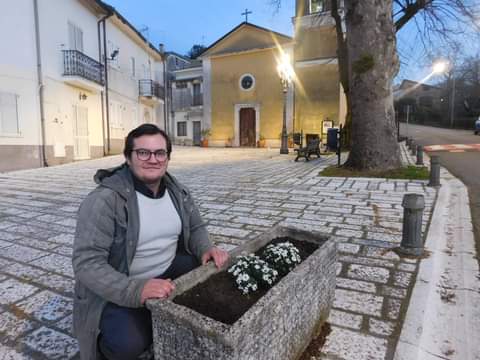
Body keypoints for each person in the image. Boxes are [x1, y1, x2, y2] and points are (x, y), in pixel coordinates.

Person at [72, 123, 229, 360]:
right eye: (143, 152)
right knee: (130, 344)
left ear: (167, 157)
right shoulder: (105, 201)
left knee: (212, 278)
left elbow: (196, 227)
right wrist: (137, 290)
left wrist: (205, 248)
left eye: (160, 153)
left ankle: (156, 314)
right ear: (128, 157)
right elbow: (86, 263)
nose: (152, 159)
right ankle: (103, 346)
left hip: (167, 268)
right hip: (121, 283)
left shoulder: (177, 191)